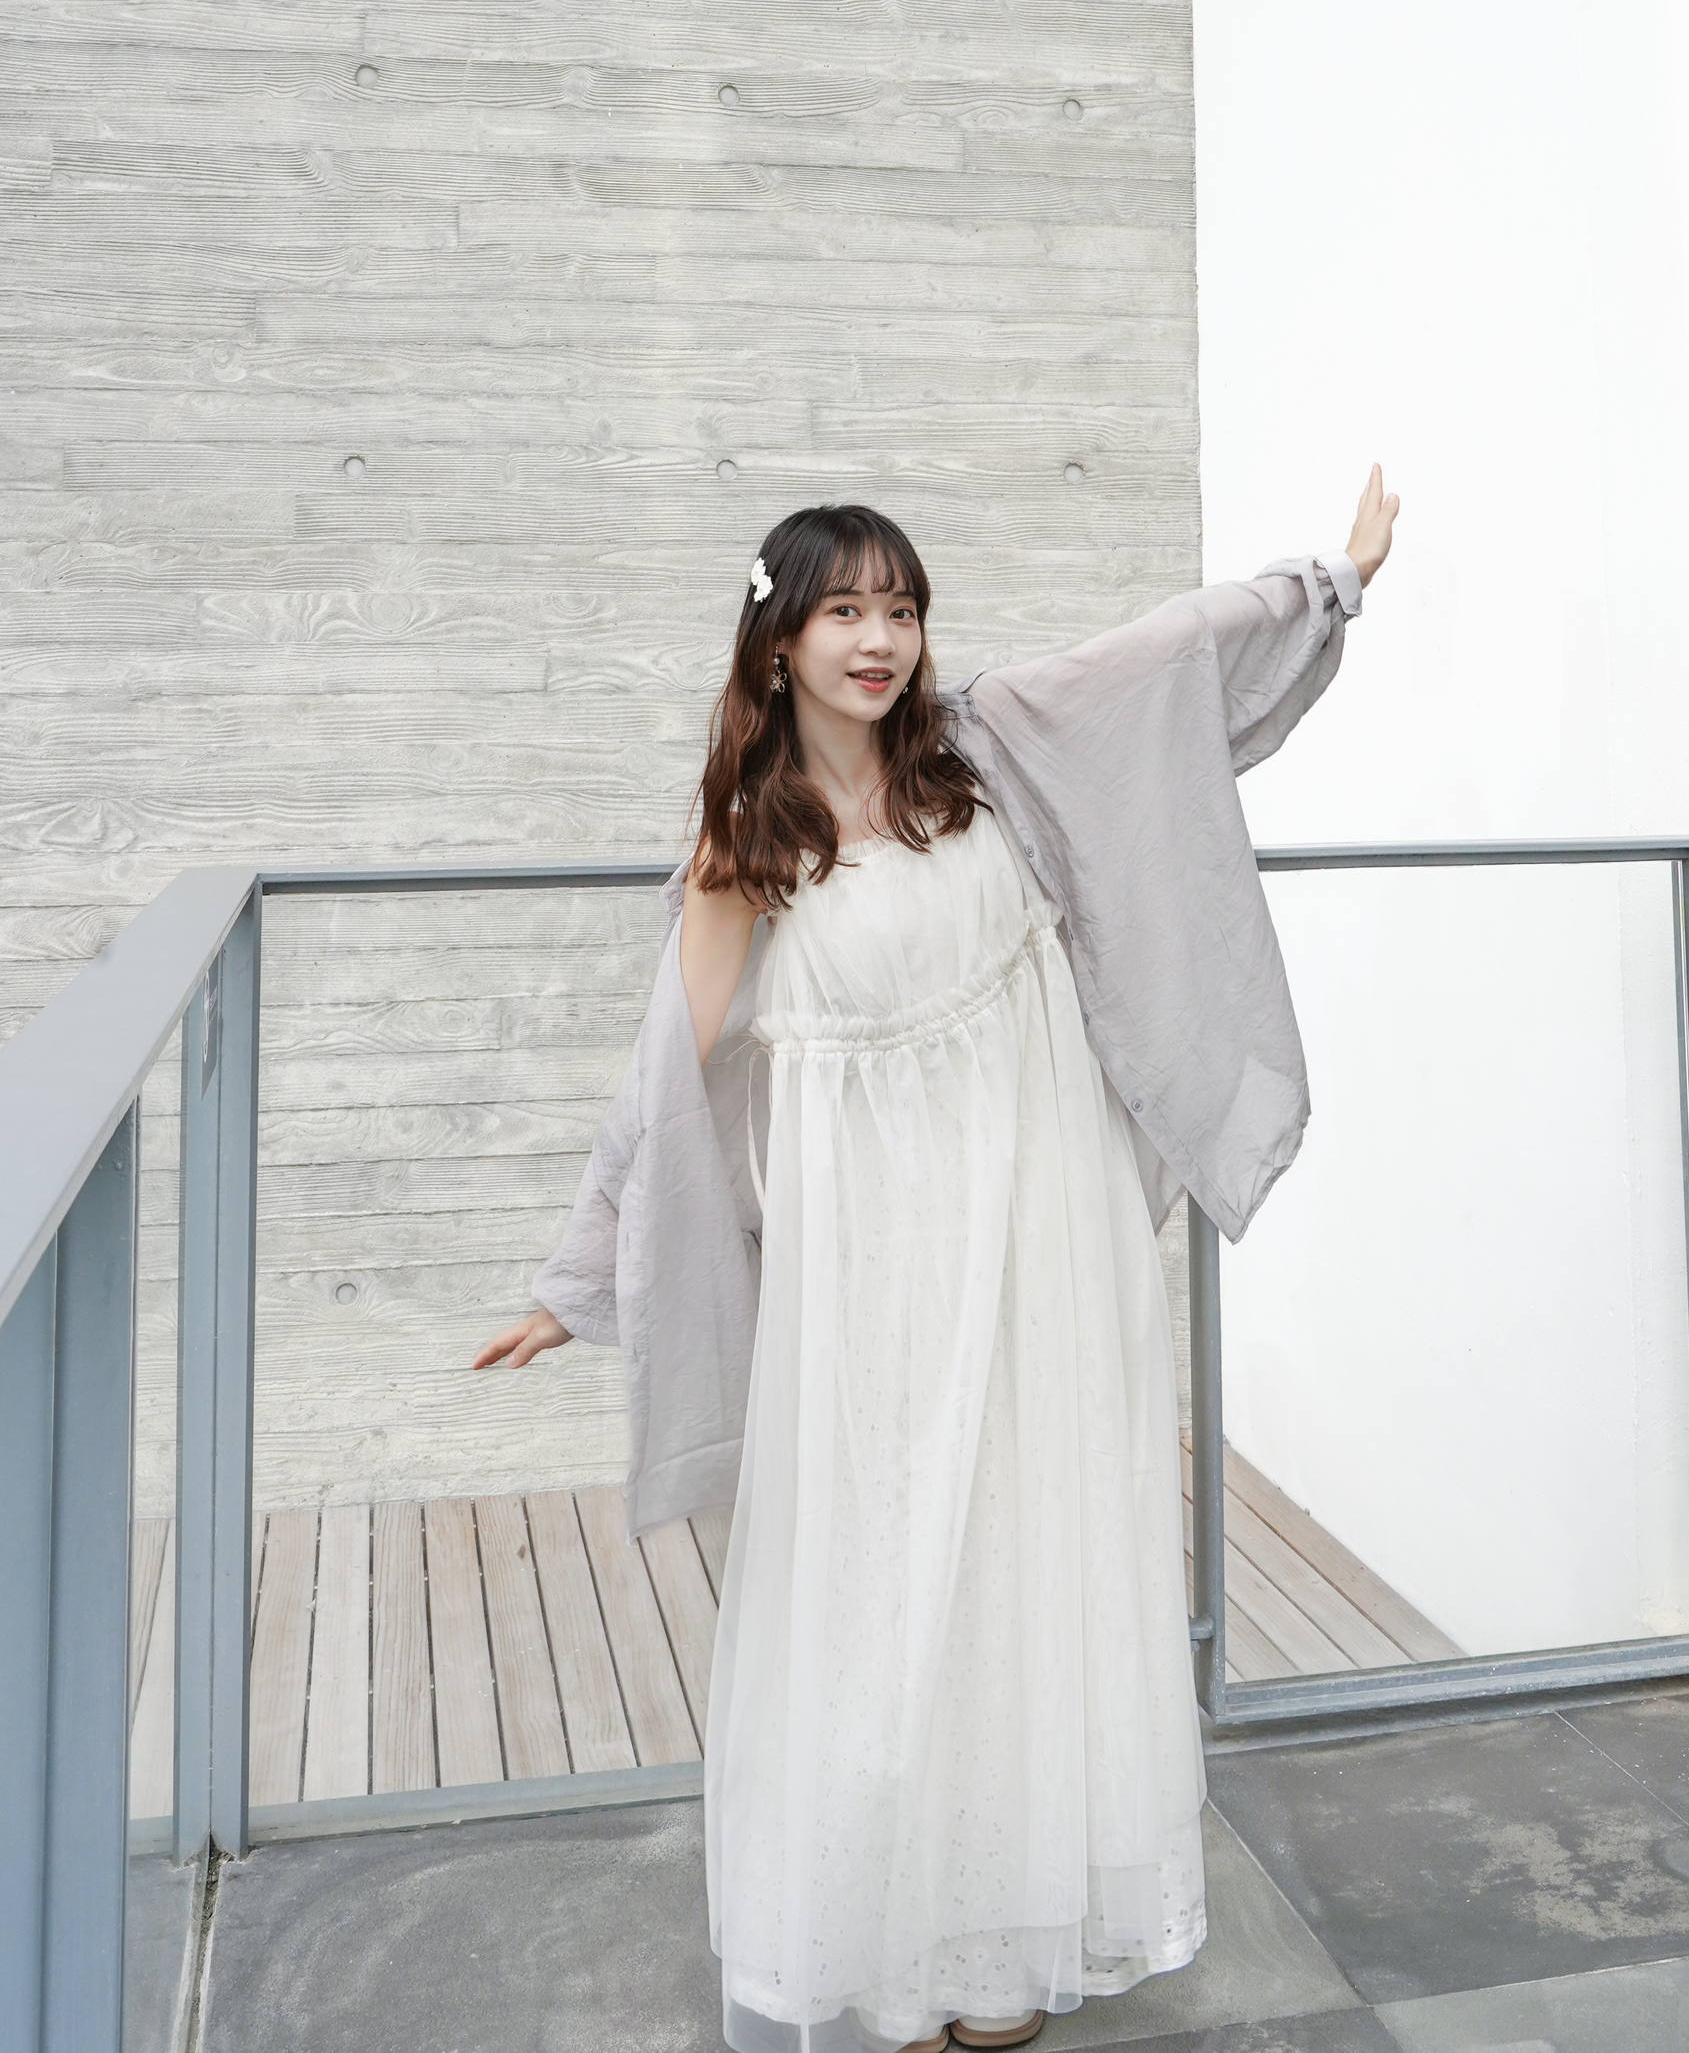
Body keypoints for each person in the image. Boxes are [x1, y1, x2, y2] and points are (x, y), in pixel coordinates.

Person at [477, 472, 1399, 2053]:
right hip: (877, 1269)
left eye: (900, 608)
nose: (880, 638)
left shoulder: (987, 751)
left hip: (1040, 1229)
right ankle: (891, 1950)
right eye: (845, 608)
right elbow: (668, 1077)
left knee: (1025, 1563)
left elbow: (1168, 657)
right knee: (887, 1583)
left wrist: (1330, 579)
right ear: (777, 636)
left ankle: (996, 1945)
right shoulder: (744, 844)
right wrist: (578, 1276)